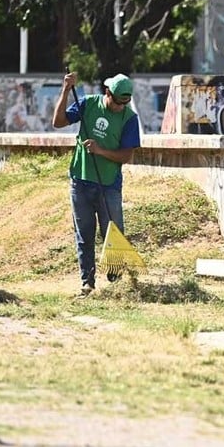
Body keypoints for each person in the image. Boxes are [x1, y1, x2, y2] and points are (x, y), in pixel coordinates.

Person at [52, 72, 141, 298]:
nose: (121, 107)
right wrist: (65, 89)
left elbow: (126, 155)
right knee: (84, 234)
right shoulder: (88, 103)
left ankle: (116, 281)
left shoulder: (129, 118)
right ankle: (87, 284)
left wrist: (100, 150)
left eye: (125, 102)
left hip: (109, 185)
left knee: (113, 231)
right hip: (80, 180)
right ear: (107, 92)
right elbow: (58, 122)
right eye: (117, 102)